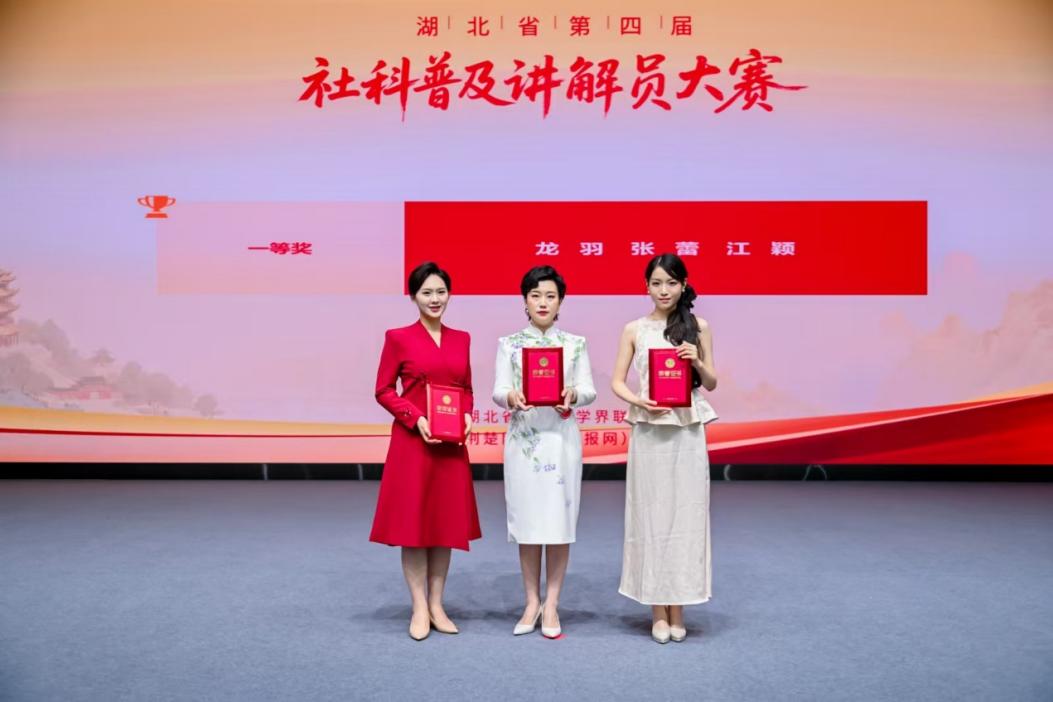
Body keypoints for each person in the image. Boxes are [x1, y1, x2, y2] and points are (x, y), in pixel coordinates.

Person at [610, 253, 718, 644]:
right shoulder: (634, 329)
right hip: (650, 430)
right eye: (656, 283)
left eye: (671, 283)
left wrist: (697, 361)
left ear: (683, 285)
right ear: (647, 287)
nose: (664, 290)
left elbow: (712, 381)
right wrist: (638, 400)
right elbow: (617, 381)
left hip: (687, 430)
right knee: (651, 515)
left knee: (687, 515)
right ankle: (658, 610)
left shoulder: (698, 327)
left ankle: (679, 608)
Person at [369, 261, 480, 641]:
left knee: (444, 526)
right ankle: (418, 607)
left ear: (450, 294)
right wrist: (415, 417)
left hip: (450, 445)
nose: (435, 299)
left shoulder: (461, 338)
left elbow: (466, 389)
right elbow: (384, 390)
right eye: (427, 292)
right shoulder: (398, 337)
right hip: (413, 443)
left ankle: (437, 604)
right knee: (414, 526)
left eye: (441, 292)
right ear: (413, 296)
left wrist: (467, 415)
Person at [492, 266, 596, 638]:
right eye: (535, 295)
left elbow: (589, 390)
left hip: (561, 442)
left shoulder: (575, 343)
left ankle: (551, 604)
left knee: (558, 524)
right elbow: (498, 390)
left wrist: (573, 395)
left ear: (560, 302)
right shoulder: (508, 344)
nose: (542, 302)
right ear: (525, 301)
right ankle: (531, 602)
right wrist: (510, 396)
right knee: (528, 525)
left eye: (550, 296)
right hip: (524, 444)